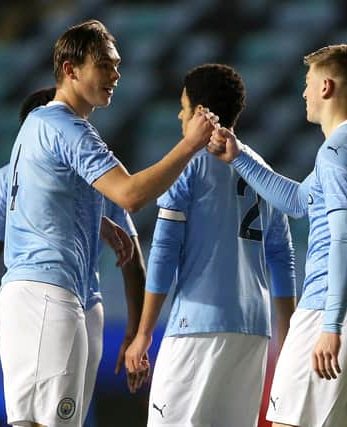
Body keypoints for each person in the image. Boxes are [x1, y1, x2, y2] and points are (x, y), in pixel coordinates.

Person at [0, 20, 218, 427]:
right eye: (104, 65)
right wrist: (190, 144)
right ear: (70, 69)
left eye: (117, 65)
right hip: (48, 295)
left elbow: (41, 194)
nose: (115, 75)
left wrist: (95, 223)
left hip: (38, 292)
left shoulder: (38, 123)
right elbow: (130, 194)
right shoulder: (68, 128)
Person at [208, 45, 347, 427]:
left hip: (333, 310)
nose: (304, 93)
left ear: (326, 86)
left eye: (308, 84)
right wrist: (240, 155)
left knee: (287, 422)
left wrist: (331, 325)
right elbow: (299, 200)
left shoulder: (337, 152)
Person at [0, 88, 146, 425]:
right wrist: (135, 332)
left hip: (30, 299)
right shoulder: (99, 175)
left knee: (27, 419)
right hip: (81, 304)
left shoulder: (2, 179)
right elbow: (134, 265)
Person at [124, 64, 297, 427]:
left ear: (200, 112)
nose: (178, 115)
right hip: (253, 332)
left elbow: (164, 251)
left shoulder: (186, 165)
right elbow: (282, 258)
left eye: (183, 106)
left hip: (198, 327)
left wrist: (143, 334)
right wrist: (288, 340)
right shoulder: (259, 167)